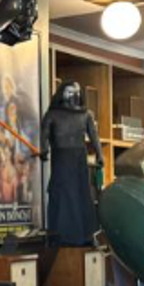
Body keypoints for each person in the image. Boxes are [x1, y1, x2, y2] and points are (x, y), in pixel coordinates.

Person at [40, 81, 103, 247]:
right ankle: (61, 236)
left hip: (79, 159)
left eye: (76, 92)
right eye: (69, 91)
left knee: (81, 194)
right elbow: (45, 133)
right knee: (62, 194)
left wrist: (100, 154)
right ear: (61, 93)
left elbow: (94, 136)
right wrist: (44, 150)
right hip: (61, 158)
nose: (73, 95)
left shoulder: (86, 114)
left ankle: (84, 236)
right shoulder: (52, 114)